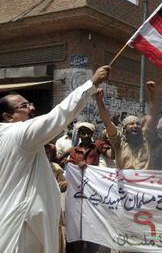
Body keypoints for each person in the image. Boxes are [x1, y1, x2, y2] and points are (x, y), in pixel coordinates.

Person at [0, 65, 110, 253]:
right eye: (24, 106)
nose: (32, 107)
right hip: (24, 230)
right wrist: (91, 84)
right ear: (8, 117)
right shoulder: (18, 134)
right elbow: (58, 116)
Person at [95, 88, 159, 170]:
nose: (135, 126)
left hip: (144, 181)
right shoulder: (118, 142)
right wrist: (99, 101)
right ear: (124, 129)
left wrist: (152, 94)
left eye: (137, 124)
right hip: (124, 182)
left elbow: (154, 115)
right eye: (131, 124)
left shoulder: (146, 138)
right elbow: (106, 121)